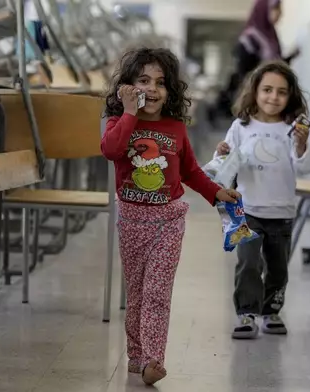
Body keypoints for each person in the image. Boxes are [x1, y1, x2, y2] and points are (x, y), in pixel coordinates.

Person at [101, 47, 241, 385]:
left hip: (169, 220)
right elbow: (111, 150)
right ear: (127, 87)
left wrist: (215, 192)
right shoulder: (120, 123)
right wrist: (131, 113)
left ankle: (153, 360)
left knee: (157, 293)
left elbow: (190, 170)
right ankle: (136, 355)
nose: (152, 89)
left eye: (161, 83)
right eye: (143, 80)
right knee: (135, 293)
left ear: (171, 91)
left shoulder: (175, 127)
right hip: (132, 221)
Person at [214, 61, 310, 339]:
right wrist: (221, 153)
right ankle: (246, 313)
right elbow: (225, 169)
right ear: (255, 92)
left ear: (290, 96)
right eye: (267, 90)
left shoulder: (292, 129)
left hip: (281, 211)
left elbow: (305, 168)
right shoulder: (240, 126)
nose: (273, 97)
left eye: (281, 92)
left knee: (278, 268)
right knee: (247, 263)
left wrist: (302, 145)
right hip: (244, 209)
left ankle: (271, 310)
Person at [210, 0, 300, 124]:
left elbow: (276, 67)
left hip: (271, 99)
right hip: (255, 100)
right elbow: (246, 71)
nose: (279, 14)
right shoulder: (250, 38)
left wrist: (291, 57)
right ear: (264, 9)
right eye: (276, 9)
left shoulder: (270, 37)